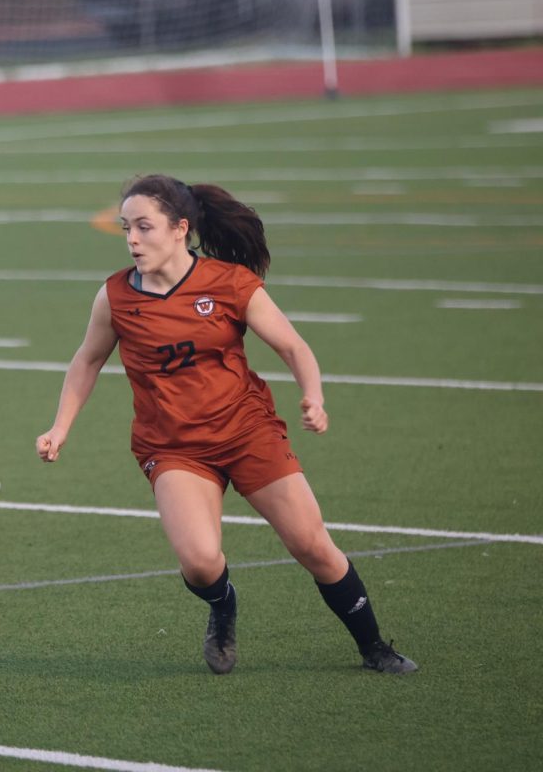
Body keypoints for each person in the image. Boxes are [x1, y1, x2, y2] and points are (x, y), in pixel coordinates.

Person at [35, 174, 416, 675]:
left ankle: (374, 648)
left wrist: (313, 396)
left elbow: (293, 347)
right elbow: (86, 362)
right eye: (126, 227)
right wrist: (60, 427)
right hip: (173, 448)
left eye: (143, 227)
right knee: (200, 562)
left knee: (312, 545)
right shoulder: (114, 297)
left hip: (247, 431)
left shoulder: (229, 283)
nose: (131, 239)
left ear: (179, 229)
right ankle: (223, 604)